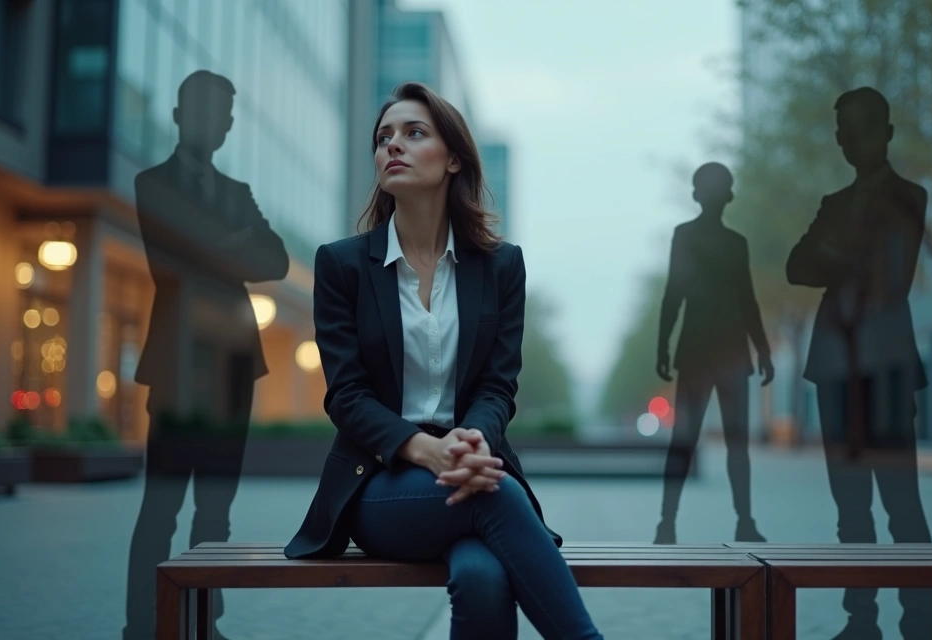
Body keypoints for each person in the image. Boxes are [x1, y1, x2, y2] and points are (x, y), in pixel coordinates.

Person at [285, 82, 603, 640]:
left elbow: (499, 387)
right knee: (496, 491)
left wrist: (472, 441)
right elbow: (347, 396)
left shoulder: (501, 267)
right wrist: (428, 450)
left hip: (471, 467)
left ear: (454, 158)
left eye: (414, 133)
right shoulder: (342, 266)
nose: (393, 147)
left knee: (482, 578)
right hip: (381, 484)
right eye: (384, 138)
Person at [124, 70, 289, 640]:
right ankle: (142, 626)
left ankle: (203, 626)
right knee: (161, 509)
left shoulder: (237, 192)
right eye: (206, 112)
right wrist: (230, 245)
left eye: (225, 115)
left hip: (234, 369)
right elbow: (170, 262)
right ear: (178, 116)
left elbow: (275, 260)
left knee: (215, 513)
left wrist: (211, 246)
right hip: (178, 367)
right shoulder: (153, 184)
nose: (217, 124)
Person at [786, 86, 932, 640]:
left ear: (887, 130)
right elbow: (797, 264)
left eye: (863, 127)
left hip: (887, 367)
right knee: (851, 509)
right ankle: (862, 624)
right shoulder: (833, 204)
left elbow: (889, 278)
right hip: (833, 367)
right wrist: (852, 256)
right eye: (844, 131)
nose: (852, 141)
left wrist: (838, 255)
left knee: (903, 507)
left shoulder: (909, 197)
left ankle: (921, 626)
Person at [654, 162, 773, 544]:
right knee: (723, 442)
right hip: (720, 351)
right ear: (728, 195)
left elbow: (677, 294)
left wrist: (664, 345)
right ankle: (689, 522)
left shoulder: (693, 237)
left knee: (696, 441)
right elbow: (743, 300)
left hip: (709, 351)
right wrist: (762, 349)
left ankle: (670, 523)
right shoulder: (723, 241)